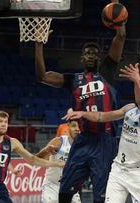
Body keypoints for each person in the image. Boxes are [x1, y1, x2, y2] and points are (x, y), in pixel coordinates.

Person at [35, 14, 126, 203]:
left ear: (100, 59)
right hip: (82, 141)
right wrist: (38, 45)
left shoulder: (107, 72)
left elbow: (120, 38)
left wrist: (120, 22)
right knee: (64, 192)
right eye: (88, 53)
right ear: (82, 59)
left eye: (95, 53)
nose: (91, 55)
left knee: (101, 197)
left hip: (104, 141)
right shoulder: (73, 80)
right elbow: (42, 76)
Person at [64, 63, 140, 203]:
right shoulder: (129, 108)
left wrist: (137, 80)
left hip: (138, 173)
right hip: (118, 169)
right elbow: (102, 116)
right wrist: (83, 113)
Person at [36, 119, 81, 203]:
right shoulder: (59, 141)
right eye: (74, 126)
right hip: (52, 186)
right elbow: (37, 159)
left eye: (80, 126)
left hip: (71, 187)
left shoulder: (85, 147)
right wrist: (46, 151)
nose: (77, 129)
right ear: (68, 127)